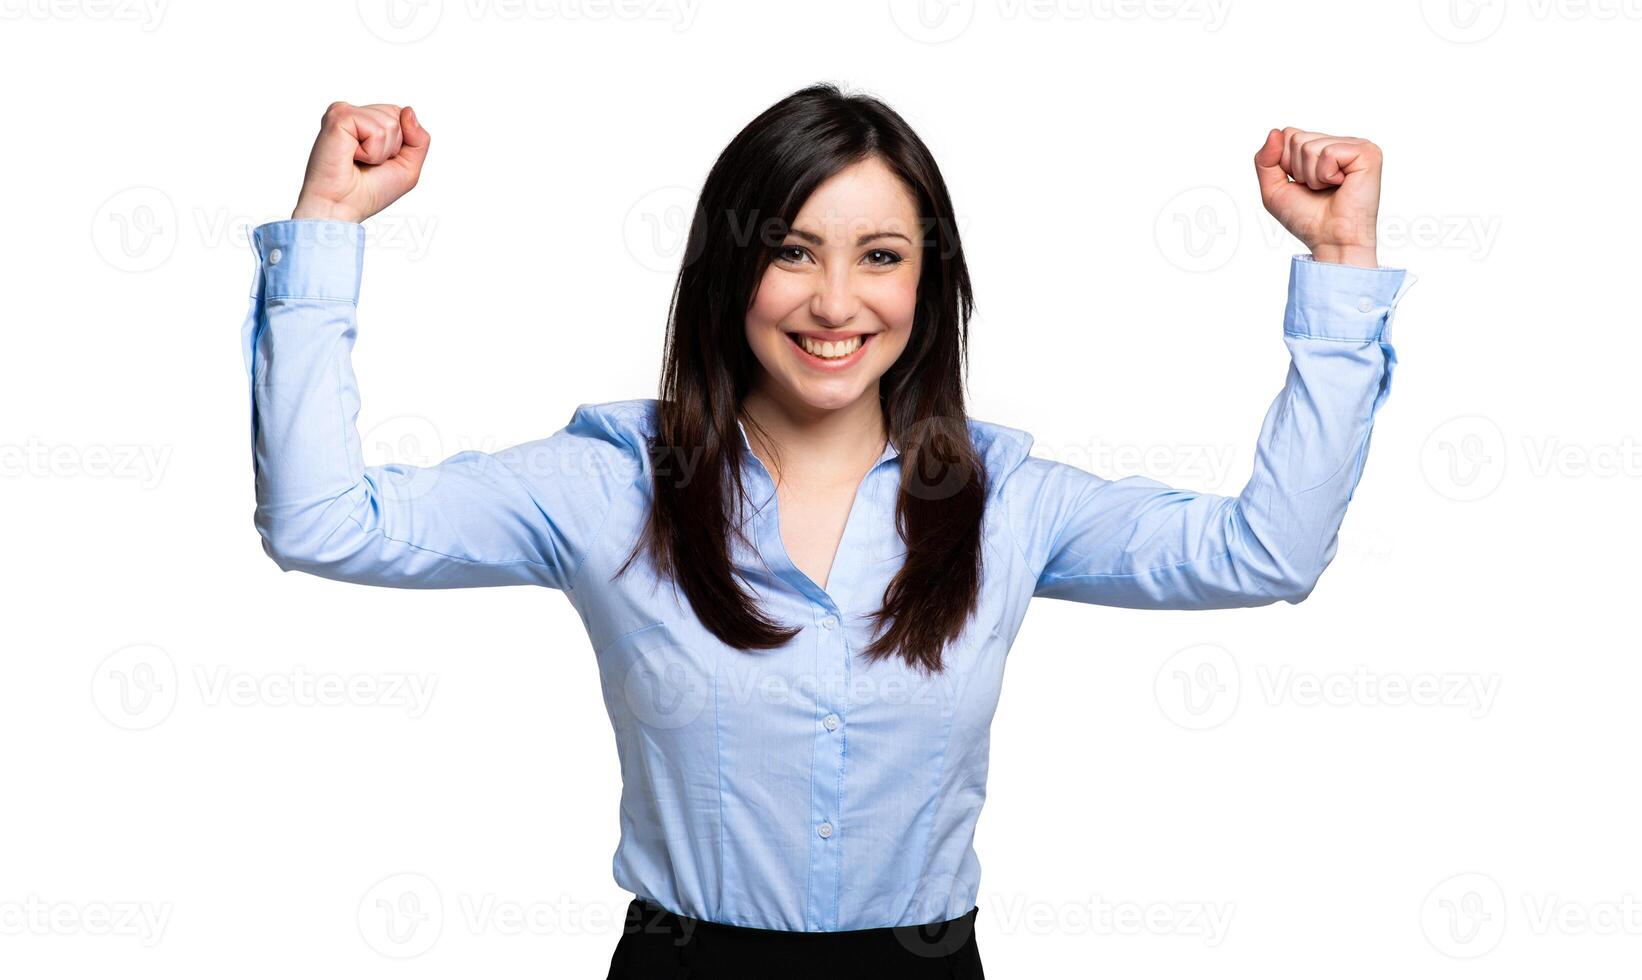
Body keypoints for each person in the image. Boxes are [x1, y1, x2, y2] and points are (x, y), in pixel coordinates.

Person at [239, 83, 1414, 978]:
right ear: (727, 271)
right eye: (791, 250)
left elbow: (1266, 552)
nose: (836, 301)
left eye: (881, 257)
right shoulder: (606, 485)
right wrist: (329, 227)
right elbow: (324, 521)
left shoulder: (1010, 499)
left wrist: (1339, 265)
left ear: (925, 283)